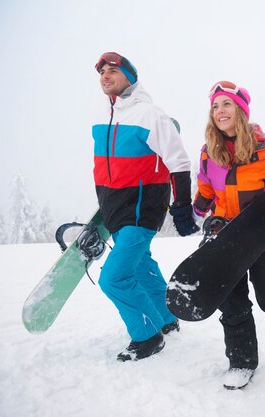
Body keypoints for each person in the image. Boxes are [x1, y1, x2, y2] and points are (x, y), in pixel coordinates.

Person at [193, 81, 265, 389]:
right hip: (226, 239)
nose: (220, 111)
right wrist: (198, 211)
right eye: (215, 106)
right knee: (232, 302)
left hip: (262, 239)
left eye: (226, 104)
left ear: (241, 111)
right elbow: (206, 187)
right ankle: (242, 362)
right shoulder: (209, 153)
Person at [92, 52, 200, 362]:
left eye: (114, 70)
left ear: (130, 77)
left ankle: (148, 335)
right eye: (102, 72)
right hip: (115, 209)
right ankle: (166, 318)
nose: (106, 76)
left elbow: (178, 162)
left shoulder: (150, 115)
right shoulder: (103, 116)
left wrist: (181, 206)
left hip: (141, 210)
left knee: (113, 278)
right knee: (140, 265)